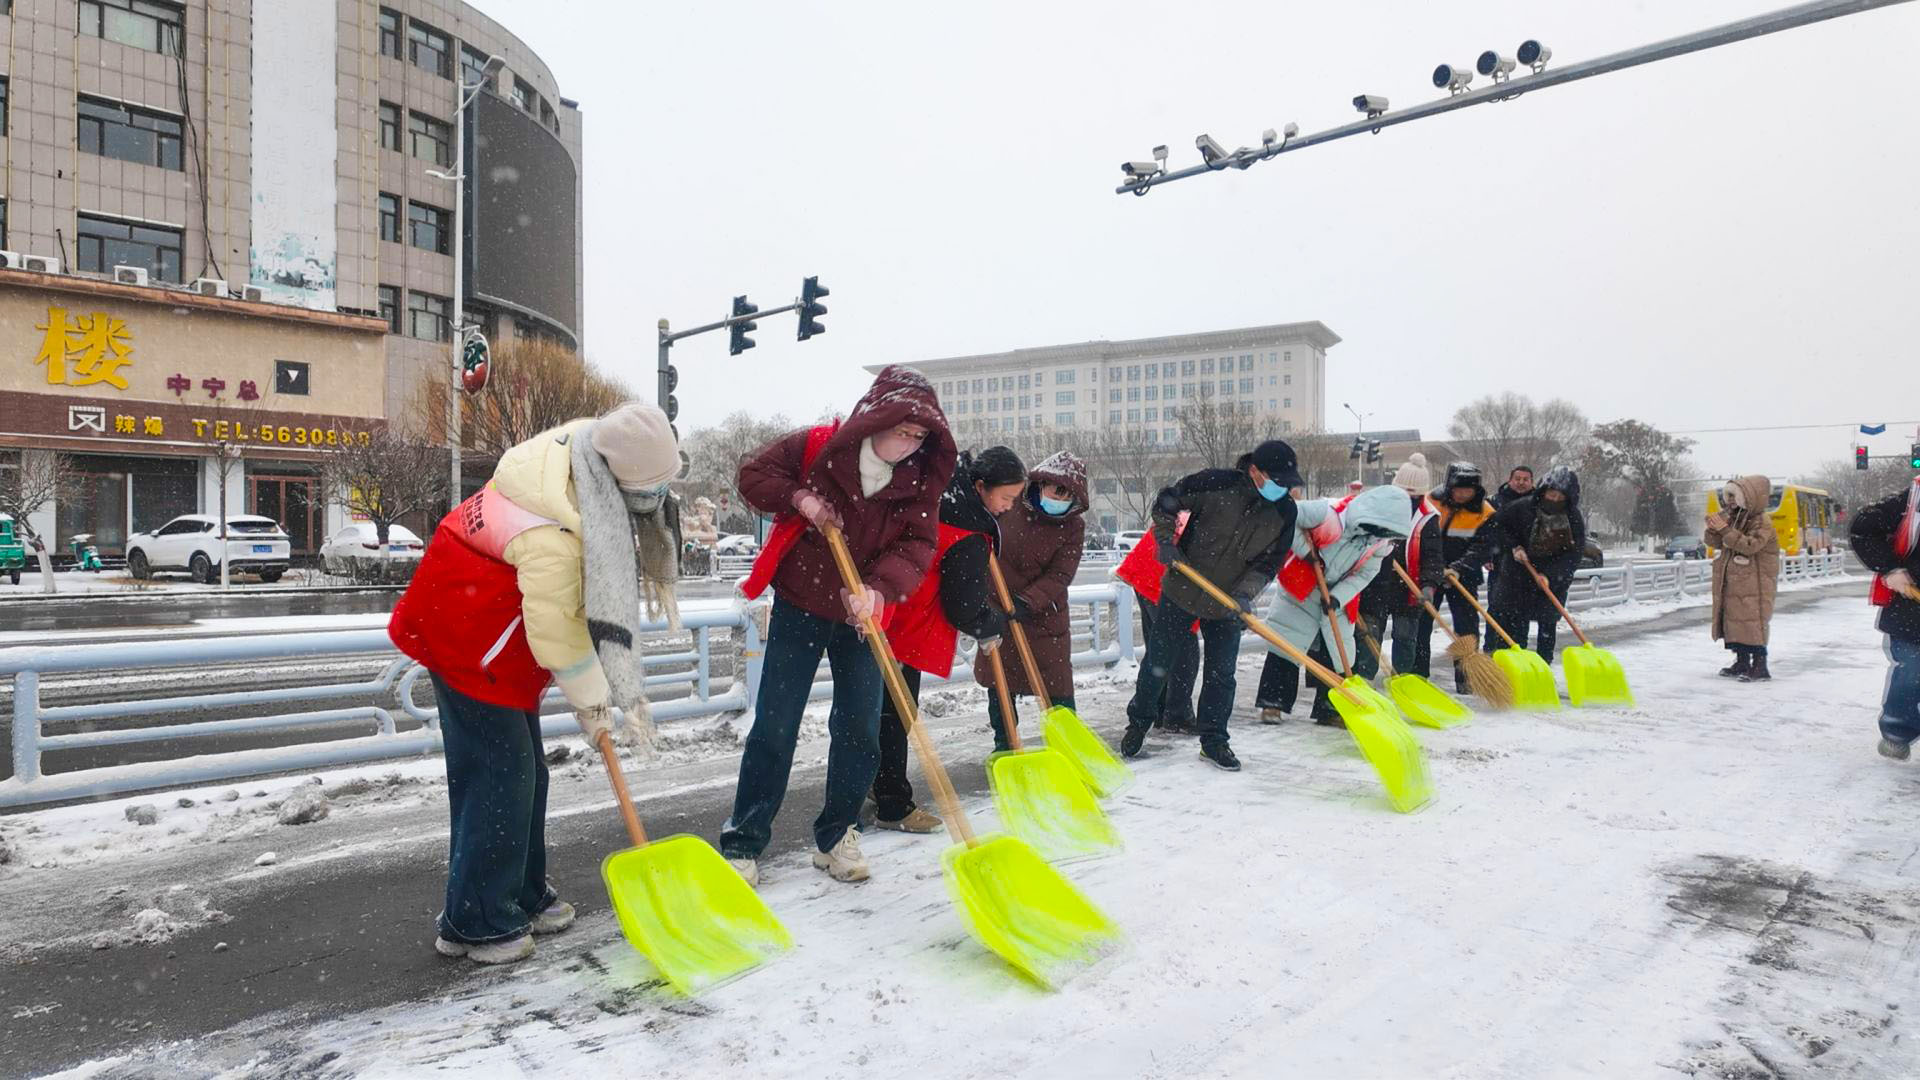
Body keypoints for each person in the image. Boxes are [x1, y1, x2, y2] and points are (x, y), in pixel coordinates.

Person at [388, 402, 683, 966]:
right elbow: (557, 631)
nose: (654, 505)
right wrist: (595, 703)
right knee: (499, 774)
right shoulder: (556, 528)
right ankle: (473, 920)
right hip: (467, 634)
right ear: (620, 481)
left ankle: (519, 892)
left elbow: (563, 616)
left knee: (525, 772)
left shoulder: (586, 458)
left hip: (499, 634)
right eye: (648, 492)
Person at [722, 367, 955, 886]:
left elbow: (917, 546)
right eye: (902, 430)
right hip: (801, 603)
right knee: (776, 725)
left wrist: (877, 589)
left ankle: (838, 834)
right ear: (877, 418)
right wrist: (801, 499)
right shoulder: (819, 446)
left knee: (860, 729)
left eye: (919, 437)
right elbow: (753, 475)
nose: (908, 444)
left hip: (865, 618)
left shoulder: (920, 481)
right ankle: (743, 840)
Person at [1120, 440, 1302, 771]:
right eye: (1278, 481)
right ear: (1255, 472)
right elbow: (1166, 502)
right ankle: (1138, 725)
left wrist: (1246, 594)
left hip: (1228, 602)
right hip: (1183, 589)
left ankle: (1214, 741)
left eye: (1288, 483)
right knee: (1158, 663)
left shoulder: (1284, 512)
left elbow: (1268, 563)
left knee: (1222, 674)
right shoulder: (1216, 483)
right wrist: (1164, 541)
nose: (1284, 489)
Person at [875, 447, 1026, 834]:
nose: (1009, 507)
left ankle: (875, 788)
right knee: (896, 717)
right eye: (1005, 498)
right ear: (980, 486)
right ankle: (893, 804)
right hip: (907, 628)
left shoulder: (941, 501)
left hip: (883, 610)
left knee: (873, 716)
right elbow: (963, 605)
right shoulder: (970, 532)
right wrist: (990, 625)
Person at [1258, 484, 1412, 725]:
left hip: (1336, 598)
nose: (1379, 535)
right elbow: (1287, 516)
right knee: (1287, 645)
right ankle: (1273, 703)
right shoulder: (1328, 513)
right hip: (1303, 585)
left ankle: (1329, 708)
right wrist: (1306, 552)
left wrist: (1338, 596)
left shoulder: (1380, 543)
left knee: (1337, 653)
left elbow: (1365, 575)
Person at [977, 451, 1090, 749]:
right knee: (1000, 686)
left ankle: (1067, 749)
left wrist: (1027, 602)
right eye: (1057, 489)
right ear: (1041, 483)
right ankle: (1006, 745)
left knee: (1058, 692)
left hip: (1044, 619)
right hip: (998, 611)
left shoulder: (1073, 527)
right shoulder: (1008, 506)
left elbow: (1061, 574)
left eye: (1068, 494)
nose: (1060, 497)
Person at [1460, 465, 1586, 663]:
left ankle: (1543, 666)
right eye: (1550, 494)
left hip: (1552, 580)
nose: (1553, 500)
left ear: (1569, 498)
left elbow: (1573, 555)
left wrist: (1550, 576)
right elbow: (1497, 527)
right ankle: (1511, 667)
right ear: (1544, 491)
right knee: (1512, 625)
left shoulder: (1573, 518)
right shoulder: (1523, 507)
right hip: (1517, 576)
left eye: (1559, 497)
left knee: (1547, 624)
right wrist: (1514, 546)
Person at [1113, 509, 1202, 734]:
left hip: (1149, 569)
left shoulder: (1204, 511)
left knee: (1160, 647)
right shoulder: (1218, 522)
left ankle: (1159, 710)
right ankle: (1177, 714)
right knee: (1183, 651)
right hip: (1161, 577)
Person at [1851, 474, 1920, 761]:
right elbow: (1862, 529)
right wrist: (1891, 569)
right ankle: (1897, 729)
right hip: (1913, 609)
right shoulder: (1912, 500)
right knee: (1912, 668)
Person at [1360, 454, 1442, 677]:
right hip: (1375, 586)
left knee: (1405, 638)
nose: (1408, 500)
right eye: (1403, 494)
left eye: (1414, 496)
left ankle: (1402, 680)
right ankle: (1364, 679)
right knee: (1369, 636)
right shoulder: (1375, 509)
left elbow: (1433, 556)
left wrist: (1429, 584)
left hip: (1408, 589)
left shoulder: (1429, 518)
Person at [1704, 475, 1781, 681]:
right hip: (1736, 580)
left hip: (1755, 581)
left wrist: (1725, 529)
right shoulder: (1737, 517)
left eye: (1734, 497)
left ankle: (1760, 665)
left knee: (1753, 621)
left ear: (1749, 497)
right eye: (1728, 496)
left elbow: (1750, 545)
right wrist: (1714, 528)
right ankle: (1741, 660)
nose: (1730, 501)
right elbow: (1717, 542)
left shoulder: (1761, 521)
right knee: (1735, 620)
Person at [1429, 462, 1497, 688]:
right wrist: (1436, 567)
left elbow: (1482, 548)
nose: (1462, 495)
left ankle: (1467, 678)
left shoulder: (1485, 512)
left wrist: (1458, 568)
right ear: (1449, 487)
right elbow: (1424, 538)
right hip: (1430, 573)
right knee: (1422, 622)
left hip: (1464, 576)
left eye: (1468, 491)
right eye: (1458, 490)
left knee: (1466, 628)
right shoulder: (1432, 502)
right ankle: (1417, 673)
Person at [1484, 464, 1534, 645]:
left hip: (1526, 563)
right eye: (1517, 479)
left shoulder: (1537, 502)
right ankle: (1492, 647)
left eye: (1525, 480)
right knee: (1496, 607)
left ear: (1531, 482)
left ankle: (1519, 647)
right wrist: (1488, 554)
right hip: (1499, 562)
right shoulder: (1495, 501)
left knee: (1522, 610)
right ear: (1510, 480)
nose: (1521, 483)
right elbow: (1487, 530)